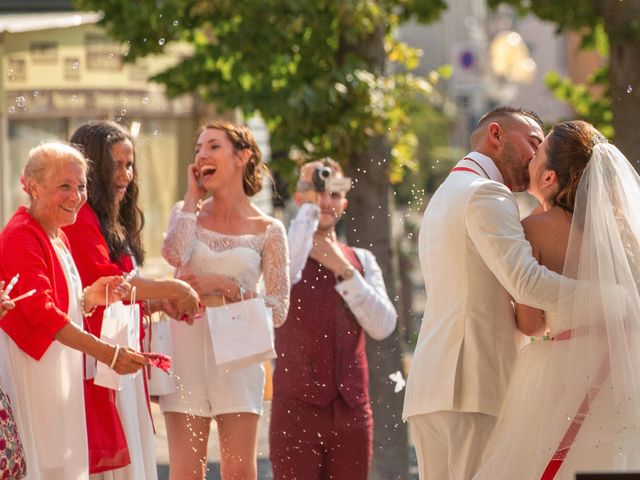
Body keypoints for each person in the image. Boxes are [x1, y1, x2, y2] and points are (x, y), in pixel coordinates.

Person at [403, 106, 573, 479]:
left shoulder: (446, 194)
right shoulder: (485, 193)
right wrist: (604, 294)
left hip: (435, 388)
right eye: (533, 142)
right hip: (472, 386)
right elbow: (526, 281)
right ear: (496, 135)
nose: (537, 155)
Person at [474, 121, 640, 479]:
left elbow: (532, 324)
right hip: (624, 372)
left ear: (549, 178)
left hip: (564, 376)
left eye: (539, 153)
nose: (531, 157)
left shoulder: (533, 229)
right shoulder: (624, 232)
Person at [0, 142, 147, 480]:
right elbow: (42, 313)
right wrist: (107, 353)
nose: (76, 196)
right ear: (33, 187)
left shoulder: (56, 235)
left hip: (57, 370)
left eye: (80, 186)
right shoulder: (21, 236)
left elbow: (56, 302)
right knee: (43, 466)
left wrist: (88, 298)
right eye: (64, 186)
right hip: (33, 372)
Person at [62, 120, 200, 479]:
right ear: (94, 167)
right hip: (100, 365)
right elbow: (106, 282)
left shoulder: (110, 221)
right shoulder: (80, 219)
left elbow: (122, 295)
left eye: (130, 164)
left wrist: (156, 304)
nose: (126, 175)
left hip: (121, 365)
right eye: (117, 165)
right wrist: (174, 289)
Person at [160, 120, 290, 479]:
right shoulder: (186, 212)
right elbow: (174, 253)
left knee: (238, 470)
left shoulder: (269, 229)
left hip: (239, 356)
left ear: (242, 157)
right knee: (186, 471)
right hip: (184, 350)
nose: (202, 154)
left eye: (213, 146)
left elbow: (278, 310)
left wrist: (228, 287)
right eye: (199, 148)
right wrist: (190, 197)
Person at [268, 158, 397, 479]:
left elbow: (384, 325)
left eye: (335, 193)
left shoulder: (362, 260)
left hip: (352, 411)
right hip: (296, 409)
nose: (326, 200)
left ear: (345, 202)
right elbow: (284, 279)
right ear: (300, 199)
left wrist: (345, 270)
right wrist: (308, 218)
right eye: (316, 191)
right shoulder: (281, 251)